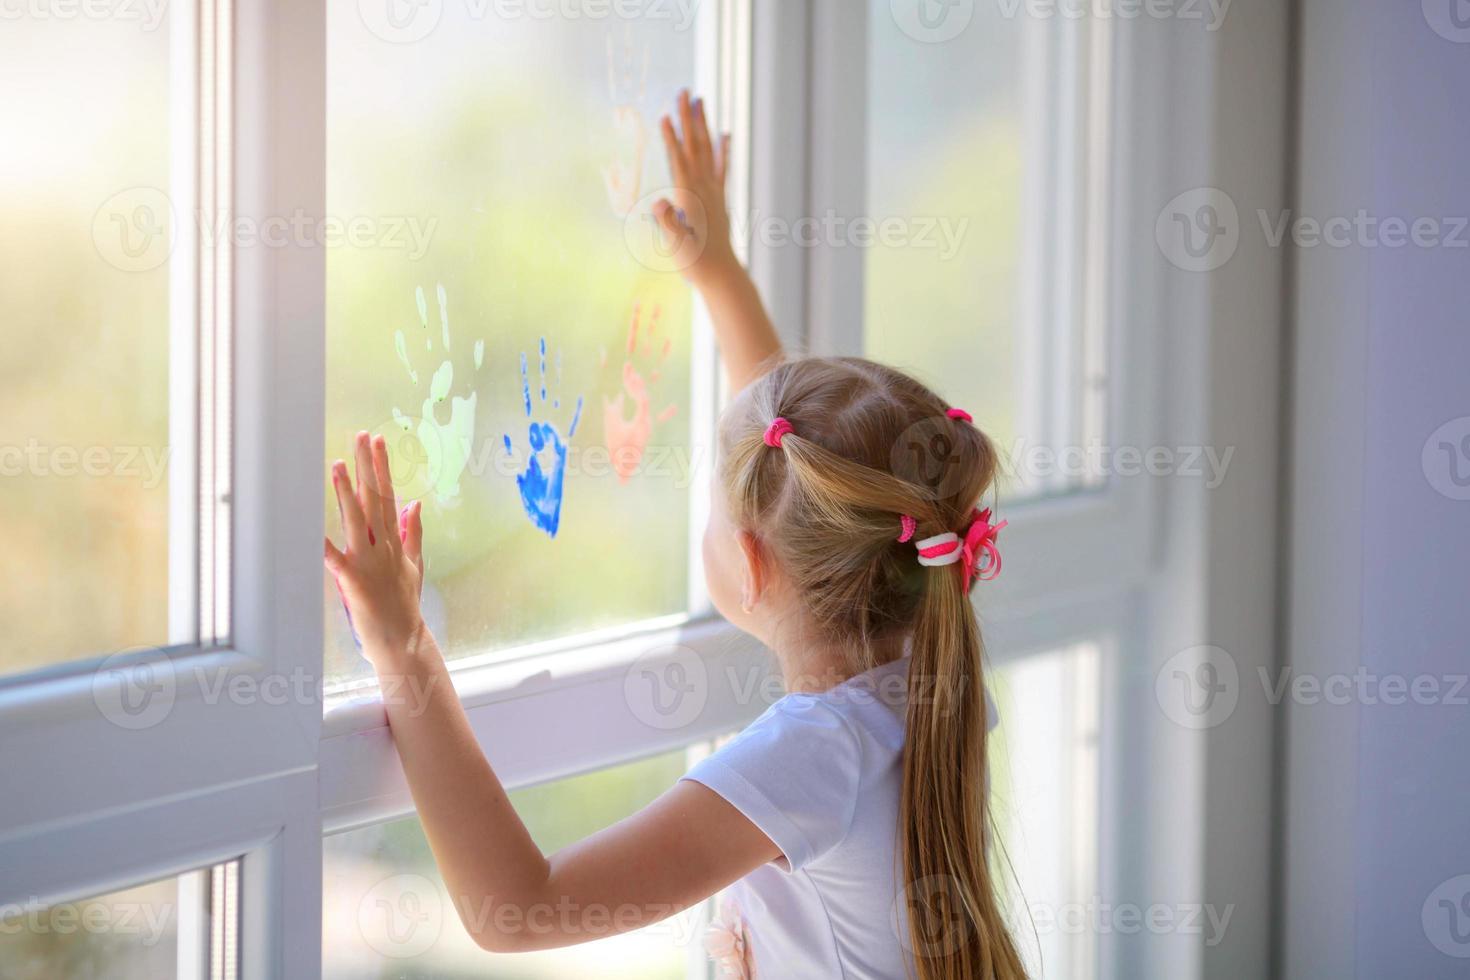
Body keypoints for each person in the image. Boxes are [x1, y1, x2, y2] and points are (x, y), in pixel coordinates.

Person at [325, 90, 1026, 980]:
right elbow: (798, 458)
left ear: (752, 563)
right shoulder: (924, 688)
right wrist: (718, 271)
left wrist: (404, 648)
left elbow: (519, 910)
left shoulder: (810, 755)